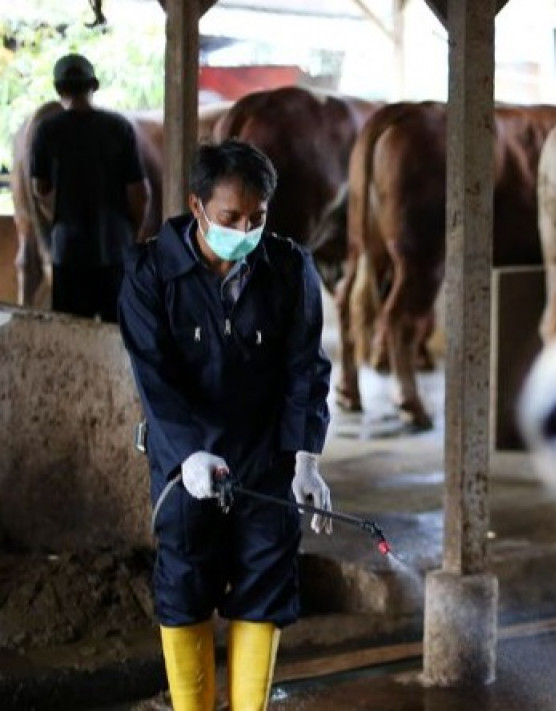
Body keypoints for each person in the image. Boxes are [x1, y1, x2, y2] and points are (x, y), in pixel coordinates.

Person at [118, 140, 333, 711]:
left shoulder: (289, 269)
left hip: (266, 461)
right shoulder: (149, 274)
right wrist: (187, 451)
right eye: (231, 217)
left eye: (257, 218)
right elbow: (153, 377)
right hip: (183, 464)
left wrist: (306, 456)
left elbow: (305, 368)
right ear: (197, 206)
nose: (245, 229)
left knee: (266, 583)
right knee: (185, 584)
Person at [29, 52, 150, 322]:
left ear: (58, 89)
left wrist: (60, 219)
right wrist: (131, 236)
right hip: (114, 253)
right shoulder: (119, 128)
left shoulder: (47, 131)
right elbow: (141, 195)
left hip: (68, 256)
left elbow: (40, 189)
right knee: (116, 336)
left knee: (72, 339)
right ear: (93, 86)